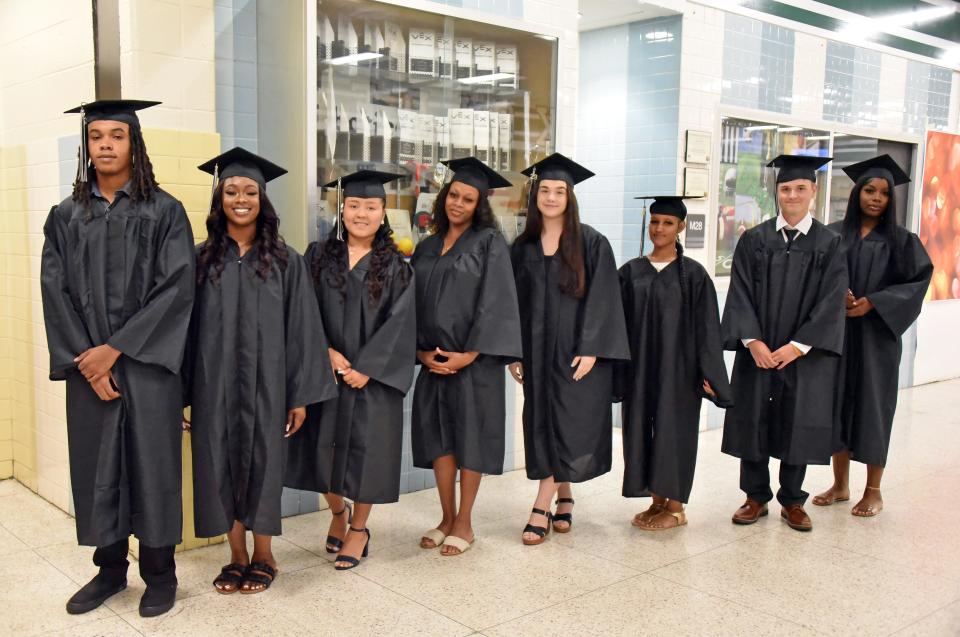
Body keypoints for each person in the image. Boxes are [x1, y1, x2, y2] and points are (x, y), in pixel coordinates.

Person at [40, 100, 195, 617]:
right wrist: (87, 359)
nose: (105, 144)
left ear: (135, 144)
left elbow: (176, 290)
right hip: (89, 367)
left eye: (117, 136)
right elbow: (54, 290)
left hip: (148, 367)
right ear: (86, 146)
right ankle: (109, 572)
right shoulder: (66, 215)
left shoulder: (165, 211)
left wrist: (114, 350)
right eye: (96, 136)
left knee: (153, 466)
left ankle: (160, 574)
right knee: (97, 464)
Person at [184, 148, 337, 594]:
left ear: (262, 199)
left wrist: (299, 395)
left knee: (265, 465)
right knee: (219, 465)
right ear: (219, 199)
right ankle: (235, 556)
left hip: (269, 386)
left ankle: (265, 555)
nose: (240, 198)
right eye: (230, 191)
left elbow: (304, 329)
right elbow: (185, 332)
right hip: (214, 386)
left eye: (249, 191)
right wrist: (184, 392)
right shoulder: (200, 259)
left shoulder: (286, 261)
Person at [286, 170, 416, 570]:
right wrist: (323, 350)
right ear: (342, 209)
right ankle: (338, 513)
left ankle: (358, 529)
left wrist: (369, 368)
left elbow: (402, 323)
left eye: (371, 207)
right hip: (324, 373)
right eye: (355, 205)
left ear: (383, 213)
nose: (362, 213)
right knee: (321, 452)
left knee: (367, 453)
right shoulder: (316, 256)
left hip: (371, 381)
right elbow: (300, 310)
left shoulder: (397, 266)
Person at [721, 154, 848, 532]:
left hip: (803, 357)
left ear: (813, 191)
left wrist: (799, 346)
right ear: (776, 191)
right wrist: (752, 341)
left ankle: (792, 500)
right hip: (758, 352)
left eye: (799, 189)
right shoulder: (754, 239)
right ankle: (755, 496)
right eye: (785, 188)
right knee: (754, 419)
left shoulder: (830, 244)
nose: (791, 195)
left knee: (799, 420)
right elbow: (739, 291)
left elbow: (832, 299)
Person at [509, 153, 630, 545]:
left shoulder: (592, 242)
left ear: (570, 196)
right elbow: (511, 305)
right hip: (535, 354)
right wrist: (513, 351)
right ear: (535, 196)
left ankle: (540, 505)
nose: (551, 197)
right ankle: (564, 495)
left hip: (574, 354)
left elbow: (604, 298)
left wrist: (593, 348)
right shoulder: (523, 246)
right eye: (544, 190)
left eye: (559, 191)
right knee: (541, 422)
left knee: (566, 425)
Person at [411, 158, 522, 556]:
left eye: (468, 199)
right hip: (434, 363)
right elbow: (411, 305)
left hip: (473, 366)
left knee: (470, 440)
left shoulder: (489, 243)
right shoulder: (425, 247)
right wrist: (420, 351)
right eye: (454, 195)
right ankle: (445, 516)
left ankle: (465, 522)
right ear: (444, 198)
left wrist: (470, 354)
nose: (458, 204)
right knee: (440, 440)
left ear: (479, 205)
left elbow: (497, 302)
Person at [813, 155, 932, 517]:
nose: (876, 198)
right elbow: (816, 280)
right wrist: (839, 297)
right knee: (838, 406)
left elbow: (916, 283)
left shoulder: (901, 240)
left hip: (877, 339)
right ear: (856, 193)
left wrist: (874, 304)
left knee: (873, 409)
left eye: (883, 192)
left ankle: (874, 490)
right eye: (869, 190)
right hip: (839, 335)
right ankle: (840, 484)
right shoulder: (832, 234)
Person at [616, 196, 733, 530]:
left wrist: (710, 375)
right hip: (639, 370)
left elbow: (708, 330)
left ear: (681, 227)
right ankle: (656, 501)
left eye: (668, 223)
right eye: (655, 222)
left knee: (674, 432)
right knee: (641, 430)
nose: (659, 229)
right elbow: (615, 325)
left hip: (678, 372)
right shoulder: (630, 272)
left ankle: (676, 507)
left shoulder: (694, 275)